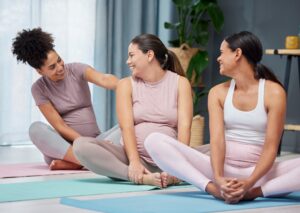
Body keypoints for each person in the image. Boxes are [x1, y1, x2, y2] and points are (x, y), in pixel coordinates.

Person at [144, 31, 300, 203]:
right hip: (219, 171)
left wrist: (249, 183)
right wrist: (218, 179)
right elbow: (217, 141)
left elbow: (271, 147)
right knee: (153, 140)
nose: (218, 58)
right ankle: (213, 190)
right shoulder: (217, 93)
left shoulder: (274, 92)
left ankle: (254, 193)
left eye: (222, 52)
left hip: (259, 174)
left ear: (237, 54)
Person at [73, 34, 193, 187]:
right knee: (81, 146)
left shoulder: (180, 83)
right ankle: (139, 177)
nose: (127, 61)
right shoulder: (126, 85)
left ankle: (175, 175)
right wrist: (134, 162)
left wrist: (179, 163)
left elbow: (185, 127)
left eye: (131, 55)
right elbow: (126, 127)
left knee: (223, 150)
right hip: (132, 158)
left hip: (169, 158)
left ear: (149, 55)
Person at [12, 28, 120, 170]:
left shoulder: (77, 69)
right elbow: (59, 126)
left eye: (59, 60)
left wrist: (124, 85)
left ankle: (79, 163)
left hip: (98, 142)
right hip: (67, 148)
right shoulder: (38, 89)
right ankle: (88, 161)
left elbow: (104, 79)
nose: (60, 67)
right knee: (35, 129)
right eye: (52, 67)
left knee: (132, 125)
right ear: (40, 71)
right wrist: (84, 144)